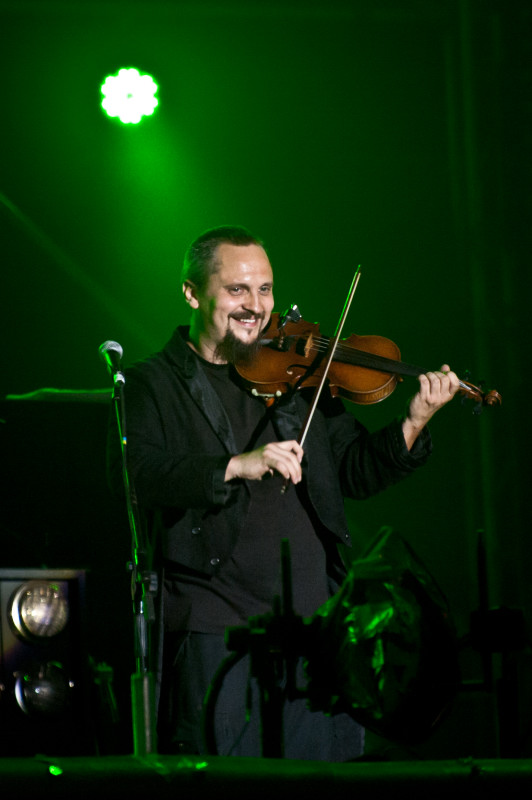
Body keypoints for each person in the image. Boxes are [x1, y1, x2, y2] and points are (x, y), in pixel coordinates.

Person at [108, 225, 460, 761]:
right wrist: (234, 465)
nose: (256, 307)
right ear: (192, 292)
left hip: (316, 634)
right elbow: (136, 473)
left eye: (265, 290)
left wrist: (412, 424)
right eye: (237, 290)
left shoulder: (299, 376)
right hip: (214, 631)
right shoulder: (153, 384)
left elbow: (354, 472)